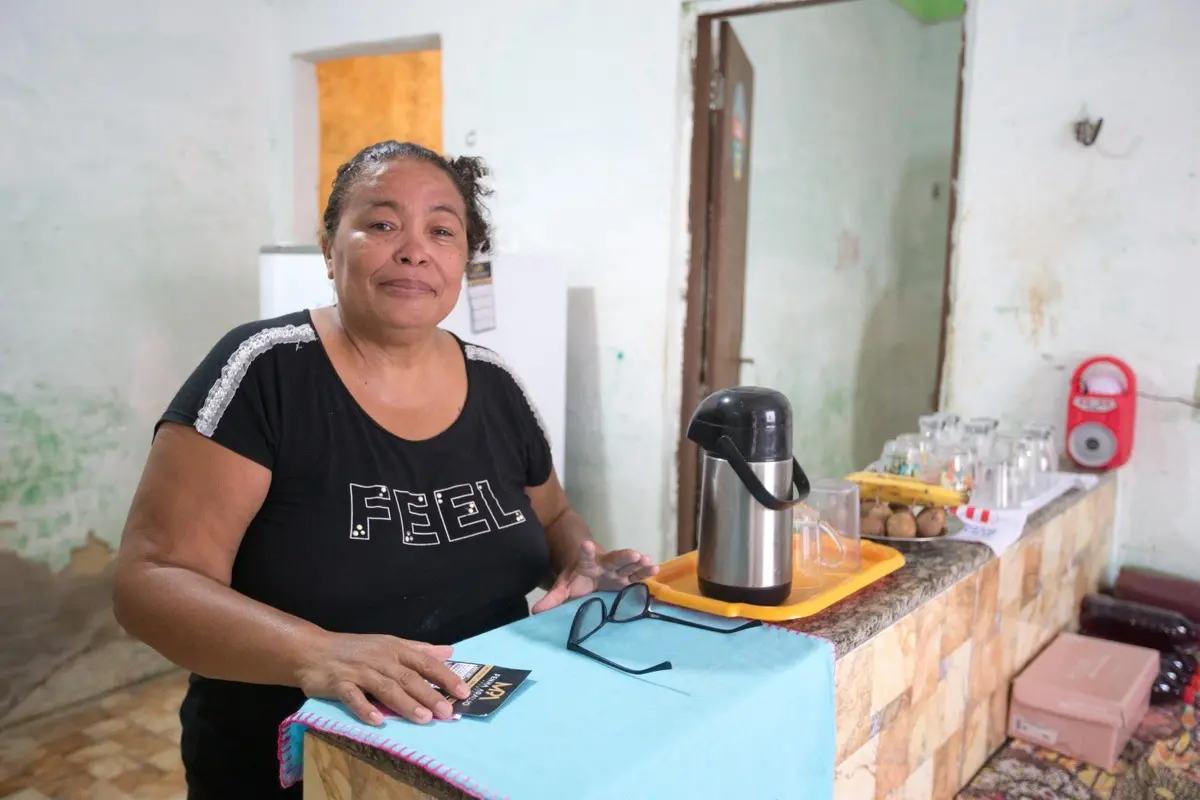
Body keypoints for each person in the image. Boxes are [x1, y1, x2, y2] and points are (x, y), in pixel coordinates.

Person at [113, 140, 659, 799]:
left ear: (463, 259)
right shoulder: (266, 372)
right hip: (295, 766)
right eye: (381, 224)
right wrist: (316, 653)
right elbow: (150, 583)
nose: (414, 250)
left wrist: (580, 562)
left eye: (441, 230)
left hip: (476, 754)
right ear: (329, 246)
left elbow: (554, 518)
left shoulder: (496, 385)